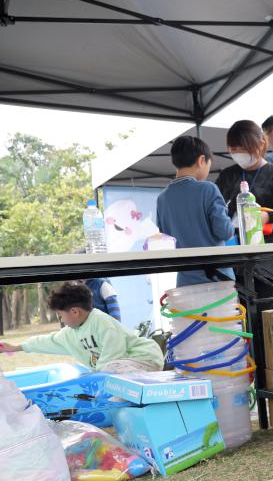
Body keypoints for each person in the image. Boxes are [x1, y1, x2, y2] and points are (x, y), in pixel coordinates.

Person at [0, 282, 163, 372]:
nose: (61, 320)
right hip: (118, 366)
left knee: (108, 370)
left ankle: (148, 387)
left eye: (61, 315)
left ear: (75, 311)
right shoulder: (70, 333)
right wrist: (16, 347)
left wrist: (98, 373)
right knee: (105, 371)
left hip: (144, 358)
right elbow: (47, 341)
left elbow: (114, 354)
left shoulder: (101, 321)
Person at [216, 121, 273, 298]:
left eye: (243, 149)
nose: (238, 155)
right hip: (234, 262)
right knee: (240, 318)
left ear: (261, 144)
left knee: (268, 313)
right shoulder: (227, 176)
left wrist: (269, 217)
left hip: (269, 263)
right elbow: (215, 210)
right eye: (234, 150)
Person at [156, 135, 235, 287]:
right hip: (217, 279)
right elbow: (224, 232)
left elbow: (165, 239)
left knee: (191, 313)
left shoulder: (162, 198)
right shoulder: (208, 189)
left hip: (185, 282)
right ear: (201, 160)